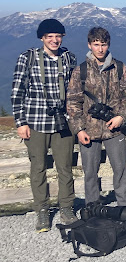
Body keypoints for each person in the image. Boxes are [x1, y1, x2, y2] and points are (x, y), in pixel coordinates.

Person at [11, 18, 78, 232]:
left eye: (58, 36)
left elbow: (74, 90)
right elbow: (18, 91)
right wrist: (21, 122)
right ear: (42, 38)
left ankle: (66, 207)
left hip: (63, 122)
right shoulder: (28, 58)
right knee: (38, 168)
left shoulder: (69, 58)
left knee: (65, 168)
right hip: (35, 121)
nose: (54, 40)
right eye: (50, 36)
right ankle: (42, 210)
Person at [66, 27, 126, 209]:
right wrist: (79, 129)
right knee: (90, 172)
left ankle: (124, 206)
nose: (100, 49)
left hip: (115, 128)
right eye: (96, 44)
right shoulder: (80, 71)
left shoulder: (119, 68)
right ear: (89, 45)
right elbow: (73, 102)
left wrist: (121, 117)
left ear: (108, 45)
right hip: (89, 129)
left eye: (103, 44)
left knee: (120, 169)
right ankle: (92, 207)